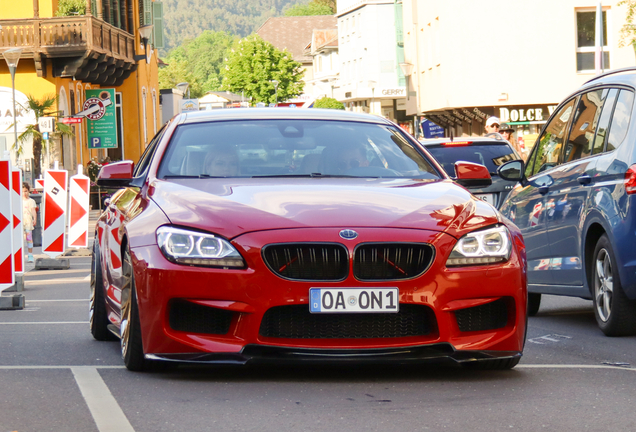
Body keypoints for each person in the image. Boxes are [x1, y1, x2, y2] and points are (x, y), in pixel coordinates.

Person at [22, 182, 37, 263]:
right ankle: (20, 254)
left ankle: (30, 255)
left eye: (26, 191)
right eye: (23, 191)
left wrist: (34, 218)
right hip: (20, 222)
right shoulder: (17, 200)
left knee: (29, 239)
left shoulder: (31, 201)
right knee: (19, 239)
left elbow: (33, 210)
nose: (24, 193)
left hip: (28, 221)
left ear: (29, 191)